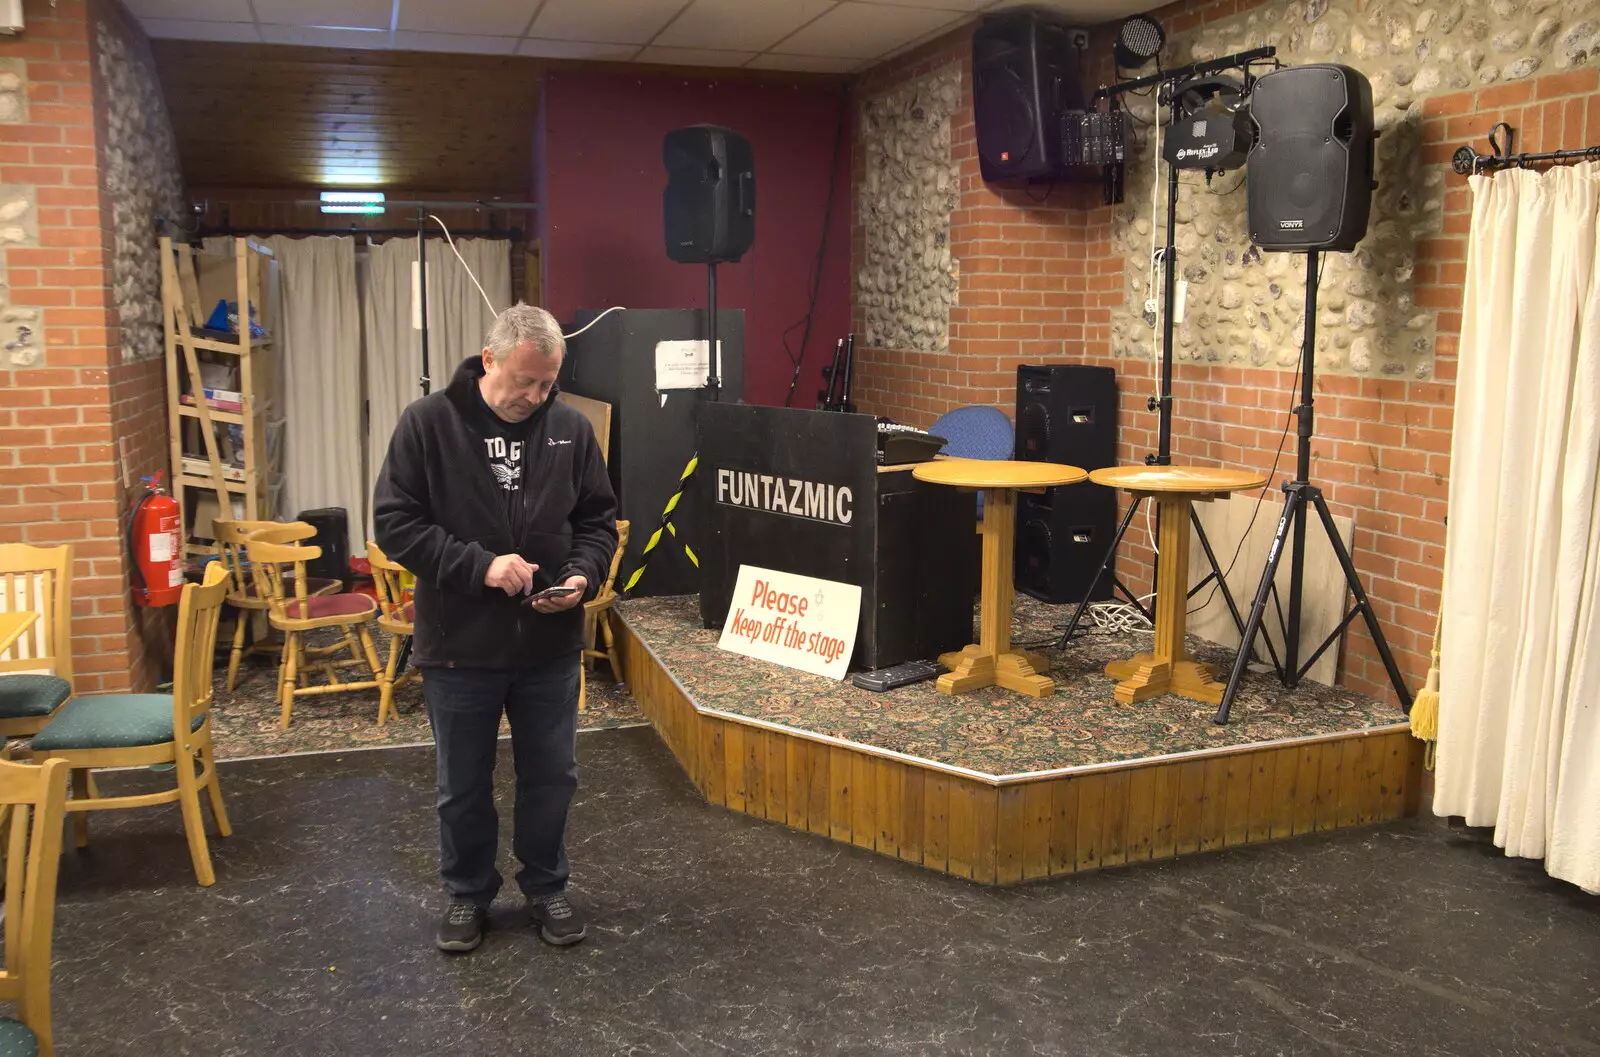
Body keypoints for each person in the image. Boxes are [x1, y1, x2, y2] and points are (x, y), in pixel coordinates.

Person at [374, 302, 618, 953]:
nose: (535, 397)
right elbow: (394, 522)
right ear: (489, 360)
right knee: (463, 784)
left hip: (548, 646)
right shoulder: (428, 424)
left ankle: (545, 886)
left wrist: (582, 577)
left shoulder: (569, 427)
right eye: (524, 382)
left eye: (547, 384)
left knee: (551, 776)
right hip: (460, 645)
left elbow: (597, 520)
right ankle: (466, 893)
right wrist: (479, 566)